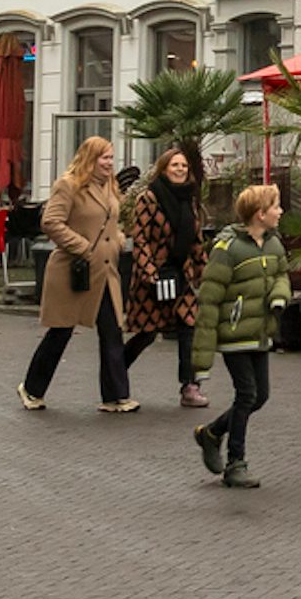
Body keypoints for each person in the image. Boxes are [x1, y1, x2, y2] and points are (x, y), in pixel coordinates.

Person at [187, 182, 291, 489]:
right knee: (247, 395)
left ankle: (211, 433)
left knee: (261, 396)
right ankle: (236, 464)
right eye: (276, 206)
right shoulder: (227, 249)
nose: (281, 211)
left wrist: (279, 296)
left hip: (260, 332)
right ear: (260, 214)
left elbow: (281, 275)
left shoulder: (274, 244)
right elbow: (208, 301)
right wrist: (201, 362)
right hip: (234, 335)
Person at [20, 139, 135, 414]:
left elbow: (110, 221)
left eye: (111, 157)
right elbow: (51, 221)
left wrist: (118, 238)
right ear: (89, 158)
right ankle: (32, 388)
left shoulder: (110, 185)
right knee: (61, 331)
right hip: (74, 271)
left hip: (106, 271)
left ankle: (116, 396)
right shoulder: (68, 185)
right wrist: (83, 246)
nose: (109, 163)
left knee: (112, 330)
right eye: (103, 158)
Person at [120, 146, 210, 408]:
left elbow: (196, 240)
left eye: (183, 166)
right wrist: (150, 273)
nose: (180, 170)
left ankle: (189, 386)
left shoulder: (189, 200)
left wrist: (204, 274)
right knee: (147, 333)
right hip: (154, 277)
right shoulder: (148, 198)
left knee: (188, 325)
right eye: (175, 166)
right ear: (164, 169)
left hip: (180, 274)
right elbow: (141, 238)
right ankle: (115, 371)